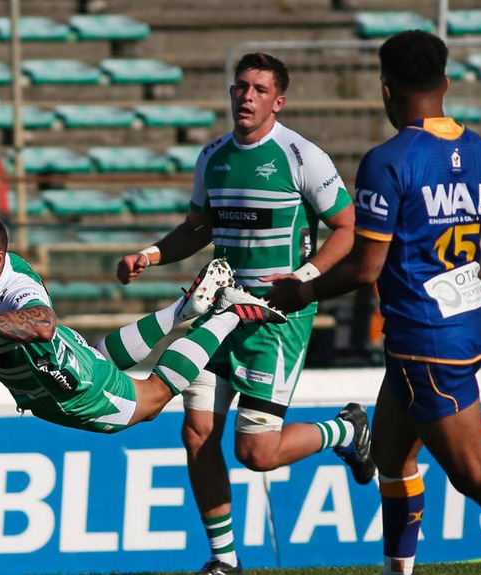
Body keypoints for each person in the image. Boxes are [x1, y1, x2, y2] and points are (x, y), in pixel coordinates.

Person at [265, 31, 481, 575]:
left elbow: (366, 268)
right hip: (463, 328)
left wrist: (300, 291)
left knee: (476, 473)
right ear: (446, 84)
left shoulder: (389, 161)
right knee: (392, 455)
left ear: (386, 91)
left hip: (423, 341)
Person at [110, 52, 374, 574]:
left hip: (274, 320)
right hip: (219, 312)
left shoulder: (303, 156)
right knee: (196, 433)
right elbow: (197, 228)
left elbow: (348, 227)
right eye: (240, 87)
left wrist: (305, 277)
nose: (246, 96)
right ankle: (225, 562)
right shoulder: (213, 156)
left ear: (278, 101)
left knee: (257, 454)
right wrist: (151, 254)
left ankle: (348, 431)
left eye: (258, 89)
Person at [0, 213, 286, 435]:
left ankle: (229, 310)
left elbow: (42, 325)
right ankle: (184, 308)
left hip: (69, 383)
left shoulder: (17, 287)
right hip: (39, 385)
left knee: (153, 399)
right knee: (105, 355)